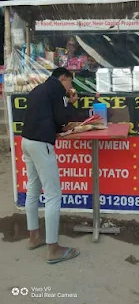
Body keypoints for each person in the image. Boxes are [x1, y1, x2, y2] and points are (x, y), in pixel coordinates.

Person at [22, 67, 80, 264]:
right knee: (54, 194)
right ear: (63, 78)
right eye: (70, 83)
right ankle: (53, 249)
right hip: (41, 144)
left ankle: (34, 237)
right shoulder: (56, 88)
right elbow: (63, 117)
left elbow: (50, 118)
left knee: (33, 189)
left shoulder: (38, 90)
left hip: (26, 142)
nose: (69, 88)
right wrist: (71, 102)